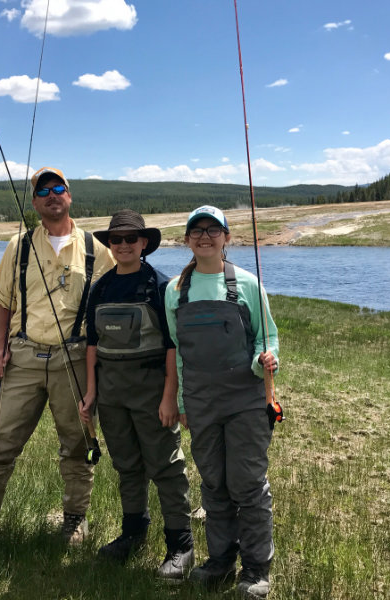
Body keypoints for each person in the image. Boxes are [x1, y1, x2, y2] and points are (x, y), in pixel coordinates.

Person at [0, 167, 115, 548]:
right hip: (21, 355)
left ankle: (74, 520)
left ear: (69, 196)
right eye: (43, 190)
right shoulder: (17, 246)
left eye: (59, 188)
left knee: (78, 442)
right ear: (35, 202)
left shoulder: (96, 250)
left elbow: (111, 308)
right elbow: (2, 302)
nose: (52, 195)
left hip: (74, 358)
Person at [164, 205, 279, 599]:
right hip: (200, 402)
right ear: (187, 240)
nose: (205, 236)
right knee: (213, 482)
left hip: (246, 399)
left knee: (246, 484)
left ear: (227, 239)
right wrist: (180, 400)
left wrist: (264, 359)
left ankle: (256, 568)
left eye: (214, 230)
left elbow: (268, 339)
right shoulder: (175, 291)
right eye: (197, 230)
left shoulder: (248, 284)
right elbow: (178, 351)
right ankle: (220, 559)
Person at [79, 209, 194, 581]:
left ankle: (181, 545)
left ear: (145, 243)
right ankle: (133, 532)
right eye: (117, 239)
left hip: (151, 391)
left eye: (132, 239)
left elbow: (174, 346)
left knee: (166, 467)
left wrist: (169, 398)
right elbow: (92, 345)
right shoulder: (100, 288)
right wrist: (90, 394)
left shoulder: (162, 286)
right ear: (109, 245)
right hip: (110, 394)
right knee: (126, 465)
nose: (124, 245)